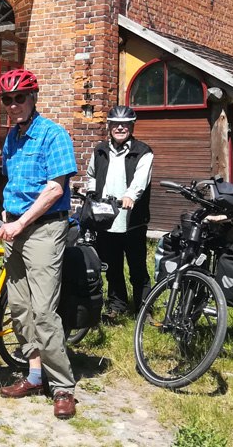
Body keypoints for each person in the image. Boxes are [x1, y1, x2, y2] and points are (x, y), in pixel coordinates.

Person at [0, 68, 78, 420]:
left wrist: (22, 222)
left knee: (43, 311)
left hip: (43, 228)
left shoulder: (53, 135)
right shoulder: (11, 138)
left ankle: (63, 387)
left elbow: (55, 188)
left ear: (33, 99)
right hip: (15, 226)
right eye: (7, 100)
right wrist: (6, 216)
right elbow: (12, 182)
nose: (13, 105)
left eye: (19, 98)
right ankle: (33, 375)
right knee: (20, 307)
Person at [85, 105, 154, 320]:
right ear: (109, 126)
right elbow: (92, 175)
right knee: (112, 266)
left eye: (125, 124)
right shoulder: (100, 150)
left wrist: (131, 196)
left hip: (132, 219)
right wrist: (90, 192)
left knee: (137, 266)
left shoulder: (143, 151)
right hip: (107, 218)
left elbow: (141, 180)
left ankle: (144, 308)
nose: (120, 128)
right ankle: (117, 305)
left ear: (132, 126)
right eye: (116, 124)